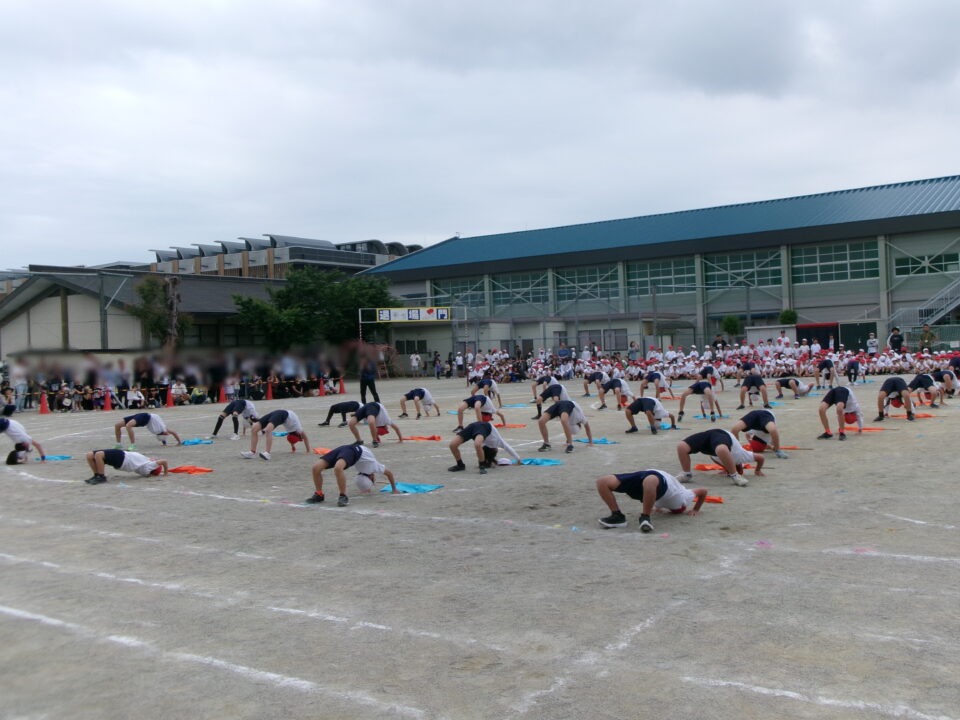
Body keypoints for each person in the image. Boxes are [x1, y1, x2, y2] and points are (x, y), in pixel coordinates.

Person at [595, 469, 708, 532]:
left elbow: (655, 500)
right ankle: (640, 517)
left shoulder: (662, 503)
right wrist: (696, 509)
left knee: (602, 481)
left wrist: (655, 507)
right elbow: (703, 491)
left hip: (647, 478)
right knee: (602, 482)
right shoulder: (682, 499)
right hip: (655, 476)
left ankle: (623, 516)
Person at [303, 443, 398, 507]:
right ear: (372, 477)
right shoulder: (374, 466)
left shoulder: (367, 469)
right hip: (354, 450)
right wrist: (394, 489)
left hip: (347, 448)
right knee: (336, 468)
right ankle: (320, 494)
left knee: (316, 468)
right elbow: (389, 473)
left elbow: (389, 474)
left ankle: (342, 496)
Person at [676, 429, 764, 487]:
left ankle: (686, 473)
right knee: (721, 449)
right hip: (722, 433)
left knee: (681, 446)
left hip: (710, 439)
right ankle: (735, 475)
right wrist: (757, 470)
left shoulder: (718, 459)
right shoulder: (741, 456)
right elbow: (761, 458)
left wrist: (757, 470)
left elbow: (760, 458)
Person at [448, 421, 520, 474]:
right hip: (484, 427)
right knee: (452, 445)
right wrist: (518, 459)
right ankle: (460, 465)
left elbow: (508, 448)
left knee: (454, 445)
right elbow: (508, 448)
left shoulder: (485, 446)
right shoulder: (498, 442)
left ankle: (481, 466)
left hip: (477, 428)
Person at [241, 409, 310, 460]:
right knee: (255, 429)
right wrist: (308, 451)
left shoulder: (294, 433)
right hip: (283, 414)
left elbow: (292, 440)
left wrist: (293, 448)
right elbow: (305, 438)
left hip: (280, 414)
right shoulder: (299, 429)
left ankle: (267, 453)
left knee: (265, 429)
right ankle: (252, 452)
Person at [84, 448, 168, 484]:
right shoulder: (146, 464)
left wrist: (165, 473)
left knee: (98, 455)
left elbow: (164, 461)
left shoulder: (148, 467)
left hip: (124, 457)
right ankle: (96, 475)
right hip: (123, 460)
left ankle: (101, 477)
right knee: (90, 455)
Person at [114, 412, 181, 450]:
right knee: (117, 425)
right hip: (144, 416)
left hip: (145, 418)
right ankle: (118, 444)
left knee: (128, 426)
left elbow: (170, 434)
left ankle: (133, 445)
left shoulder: (161, 430)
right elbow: (172, 433)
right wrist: (179, 442)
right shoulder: (163, 429)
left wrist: (177, 442)